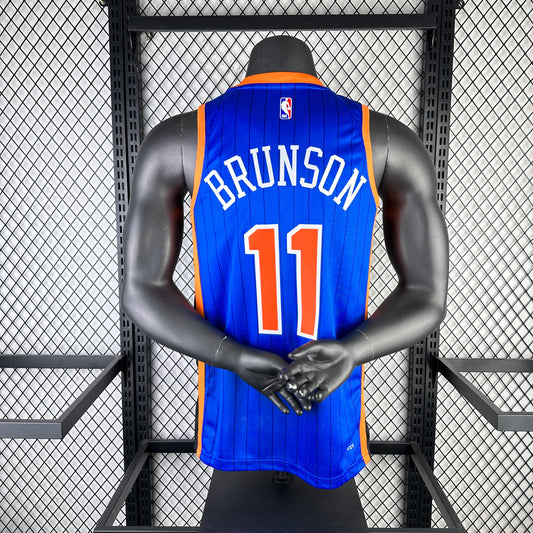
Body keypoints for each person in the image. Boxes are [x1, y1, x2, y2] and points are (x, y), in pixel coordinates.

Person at [121, 36, 448, 490]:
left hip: (241, 408)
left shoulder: (177, 138)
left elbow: (142, 290)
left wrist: (230, 355)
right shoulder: (388, 139)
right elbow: (427, 296)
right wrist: (351, 351)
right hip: (320, 407)